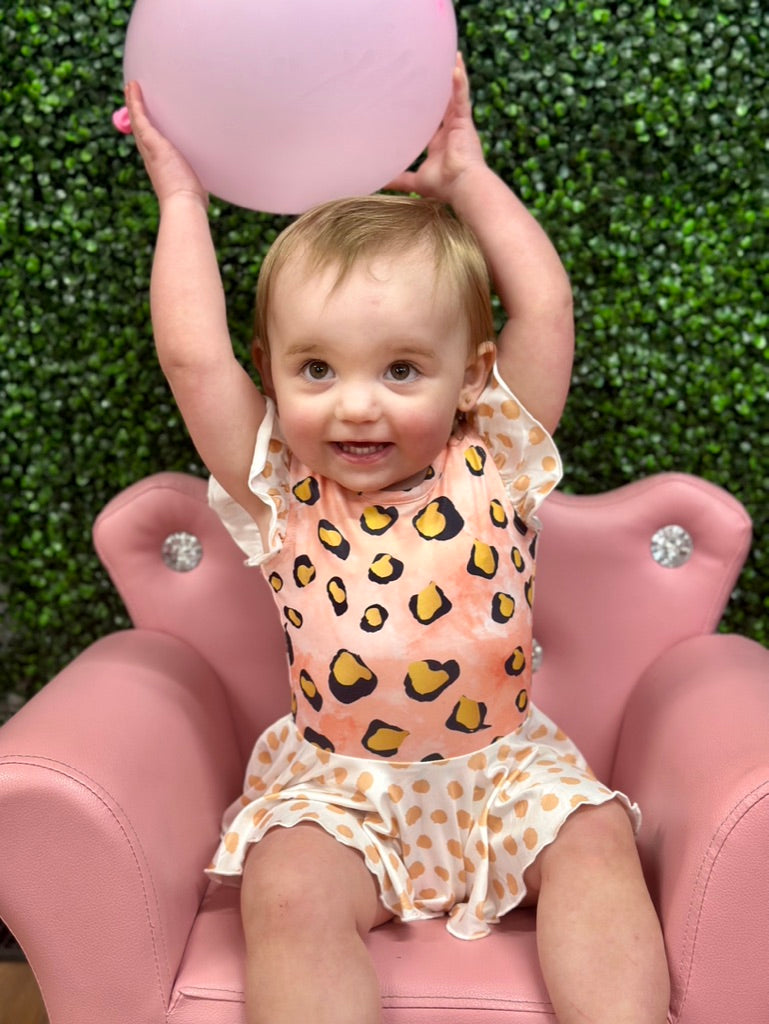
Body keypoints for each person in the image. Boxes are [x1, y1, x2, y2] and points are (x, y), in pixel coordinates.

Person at [125, 54, 669, 1024]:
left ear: (473, 377)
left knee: (595, 840)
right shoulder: (284, 488)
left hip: (504, 772)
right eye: (317, 369)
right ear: (270, 372)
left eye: (403, 369)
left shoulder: (495, 457)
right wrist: (181, 201)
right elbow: (191, 357)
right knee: (285, 890)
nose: (356, 405)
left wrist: (466, 178)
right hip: (342, 792)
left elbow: (545, 307)